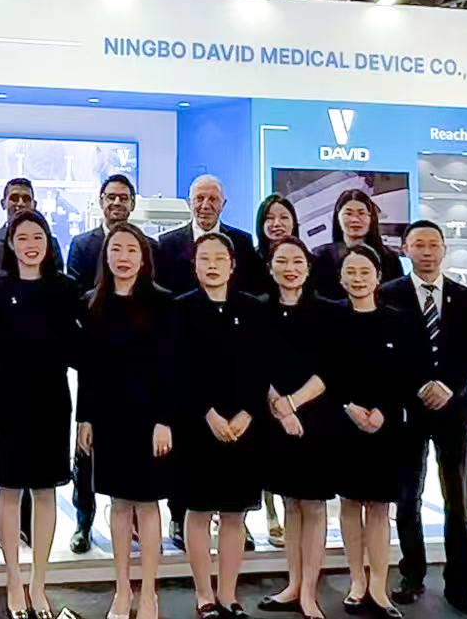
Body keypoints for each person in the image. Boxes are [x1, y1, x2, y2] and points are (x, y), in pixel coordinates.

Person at [385, 221, 467, 619]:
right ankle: (411, 575)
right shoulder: (389, 294)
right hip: (409, 411)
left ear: (444, 250)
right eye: (419, 244)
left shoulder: (466, 298)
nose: (427, 252)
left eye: (433, 245)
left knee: (456, 500)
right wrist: (418, 386)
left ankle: (461, 586)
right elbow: (389, 352)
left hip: (455, 410)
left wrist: (448, 385)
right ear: (405, 249)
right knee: (407, 497)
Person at [0, 210, 81, 619]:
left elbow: (77, 346)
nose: (30, 245)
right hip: (7, 399)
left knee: (44, 491)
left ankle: (39, 583)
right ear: (11, 243)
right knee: (7, 489)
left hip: (51, 400)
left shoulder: (65, 287)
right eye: (22, 237)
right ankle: (13, 581)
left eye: (37, 237)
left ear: (48, 242)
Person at [322, 245, 430, 619]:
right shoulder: (331, 318)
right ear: (340, 278)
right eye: (350, 272)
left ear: (378, 277)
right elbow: (326, 372)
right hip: (345, 422)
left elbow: (408, 374)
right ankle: (356, 582)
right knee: (351, 505)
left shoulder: (399, 320)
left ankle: (379, 587)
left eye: (365, 271)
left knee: (380, 509)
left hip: (387, 425)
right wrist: (349, 407)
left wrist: (384, 411)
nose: (358, 278)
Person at [77, 222, 175, 619]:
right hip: (109, 417)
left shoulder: (163, 302)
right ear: (106, 256)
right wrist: (85, 419)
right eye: (115, 249)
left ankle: (149, 592)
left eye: (131, 250)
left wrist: (165, 420)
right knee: (118, 504)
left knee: (148, 505)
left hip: (150, 419)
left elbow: (170, 367)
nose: (123, 257)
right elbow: (88, 369)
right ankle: (122, 590)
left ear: (143, 258)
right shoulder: (92, 303)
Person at [175, 231, 267, 619]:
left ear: (233, 266)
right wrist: (208, 414)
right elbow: (177, 370)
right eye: (204, 259)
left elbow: (261, 368)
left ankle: (228, 595)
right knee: (197, 511)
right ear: (194, 266)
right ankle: (204, 595)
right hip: (197, 425)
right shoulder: (180, 309)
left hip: (244, 425)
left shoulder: (253, 309)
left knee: (234, 514)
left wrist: (248, 413)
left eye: (219, 259)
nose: (212, 265)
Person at [65, 174, 148, 553]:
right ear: (100, 201)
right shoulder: (83, 244)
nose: (116, 203)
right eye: (110, 197)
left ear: (132, 203)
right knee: (87, 450)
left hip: (137, 367)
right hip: (97, 358)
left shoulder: (149, 245)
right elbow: (76, 295)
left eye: (123, 197)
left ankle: (134, 519)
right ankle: (83, 520)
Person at [257, 237, 334, 619]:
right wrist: (279, 407)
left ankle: (309, 592)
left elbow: (331, 368)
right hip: (276, 420)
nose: (290, 268)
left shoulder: (325, 311)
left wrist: (293, 404)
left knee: (314, 506)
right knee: (289, 503)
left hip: (315, 417)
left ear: (308, 267)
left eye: (297, 261)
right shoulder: (259, 310)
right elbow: (256, 365)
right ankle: (292, 584)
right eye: (282, 261)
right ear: (270, 268)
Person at [254, 193, 301, 550]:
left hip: (299, 378)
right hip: (260, 373)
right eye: (269, 218)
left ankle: (291, 513)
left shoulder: (304, 260)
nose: (276, 223)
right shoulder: (249, 260)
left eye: (283, 217)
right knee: (263, 449)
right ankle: (270, 514)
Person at [157, 174, 262, 298]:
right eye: (199, 198)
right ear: (189, 203)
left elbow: (250, 289)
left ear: (223, 205)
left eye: (213, 199)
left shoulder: (242, 242)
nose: (205, 206)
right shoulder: (167, 244)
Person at [310, 189, 405, 300]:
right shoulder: (321, 256)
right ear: (338, 217)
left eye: (361, 213)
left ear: (371, 217)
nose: (355, 219)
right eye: (348, 213)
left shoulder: (389, 259)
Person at [0, 178, 65, 281]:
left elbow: (58, 282)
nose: (20, 203)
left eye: (26, 199)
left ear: (34, 205)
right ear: (3, 203)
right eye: (14, 198)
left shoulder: (50, 242)